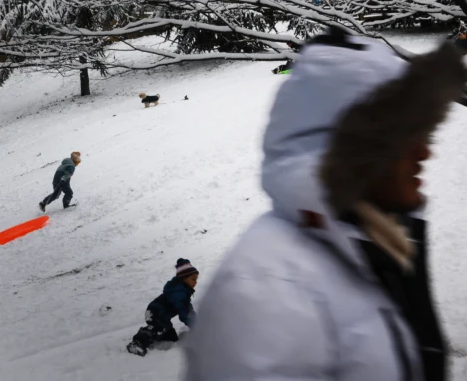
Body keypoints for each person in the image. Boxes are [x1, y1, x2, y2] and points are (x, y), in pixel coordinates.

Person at [184, 30, 464, 380]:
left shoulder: (372, 244)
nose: (424, 151)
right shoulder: (266, 295)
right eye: (403, 137)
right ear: (353, 155)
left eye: (423, 132)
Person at [127, 258, 198, 357]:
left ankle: (155, 336)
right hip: (155, 313)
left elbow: (187, 311)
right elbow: (186, 314)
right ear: (184, 279)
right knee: (159, 329)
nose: (196, 282)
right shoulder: (178, 293)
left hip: (162, 316)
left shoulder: (182, 291)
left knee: (171, 338)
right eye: (193, 279)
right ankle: (137, 342)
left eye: (196, 279)